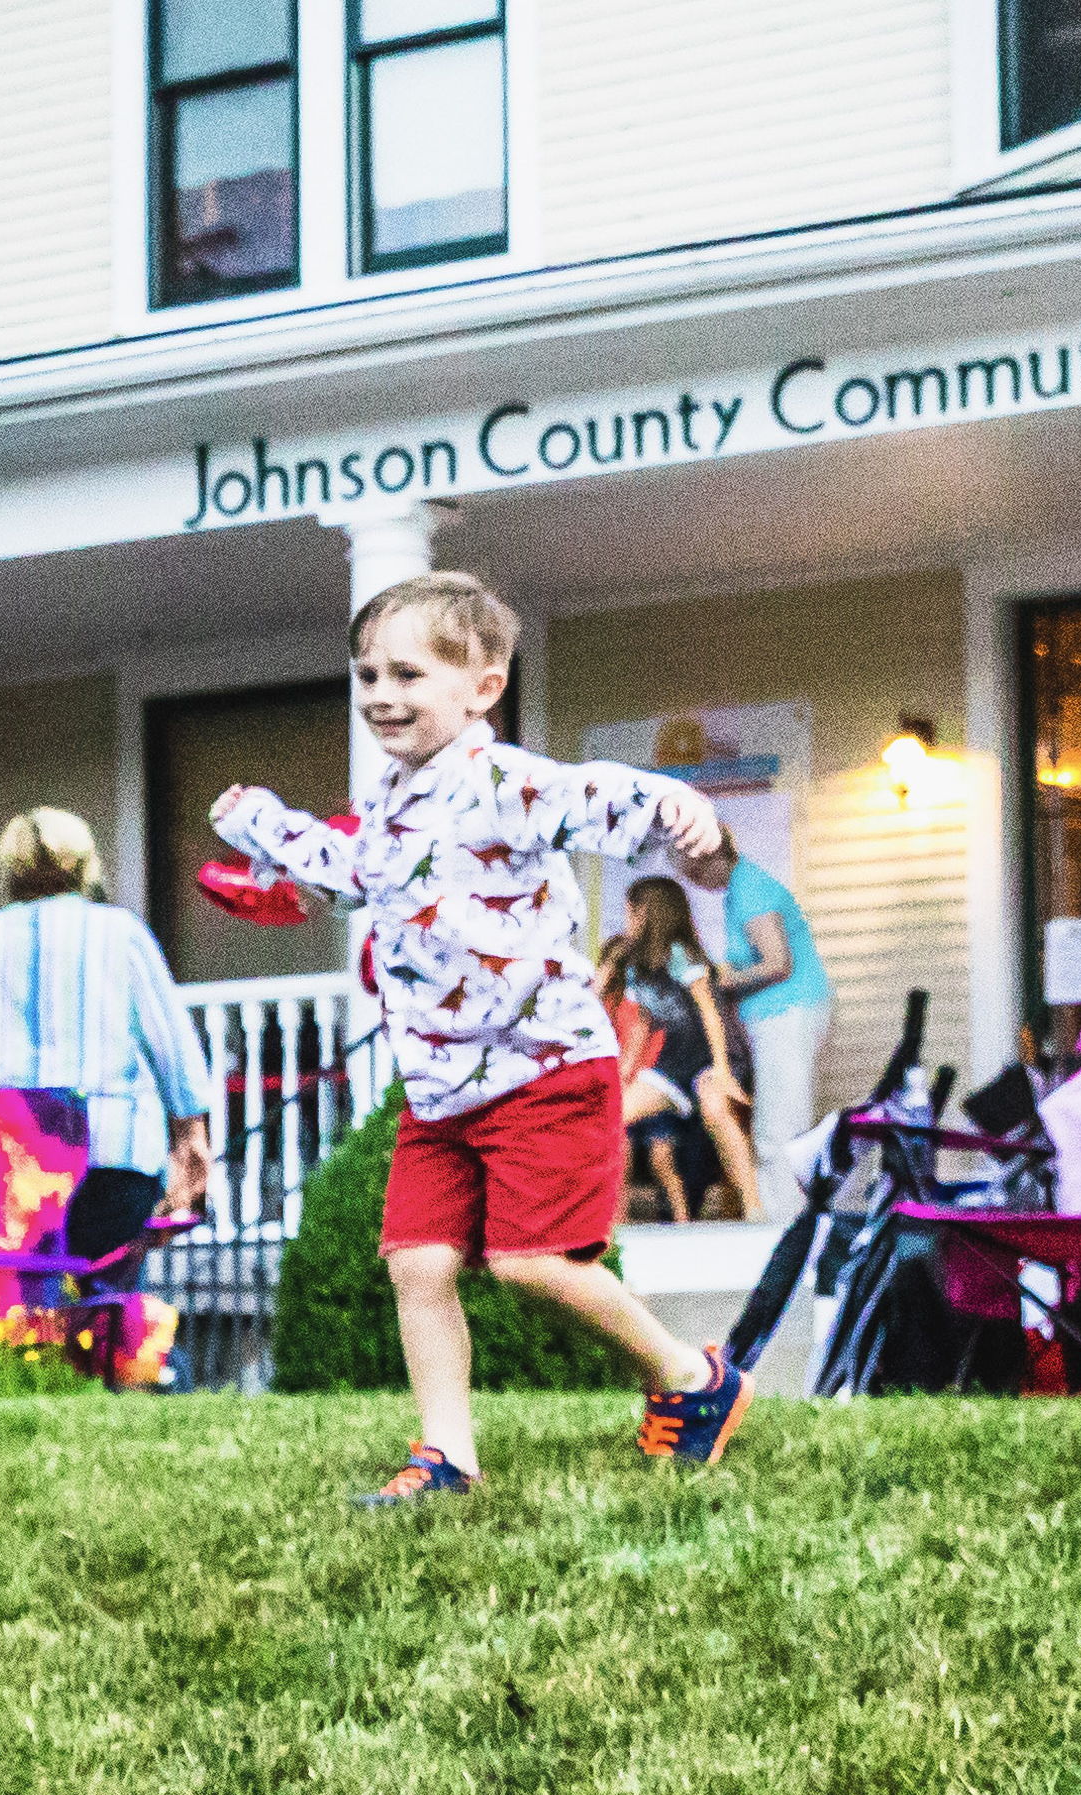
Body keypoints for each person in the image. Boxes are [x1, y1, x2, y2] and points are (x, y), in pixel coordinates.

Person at [209, 570, 744, 1505]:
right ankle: (447, 1458)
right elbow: (348, 875)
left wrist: (675, 805)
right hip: (442, 1086)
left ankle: (693, 1380)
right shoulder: (390, 797)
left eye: (408, 675)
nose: (381, 695)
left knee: (533, 1264)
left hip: (542, 1069)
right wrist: (263, 826)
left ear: (482, 687)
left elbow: (591, 796)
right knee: (417, 1263)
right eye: (367, 675)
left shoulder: (500, 781)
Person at [0, 806, 225, 1255]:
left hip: (4, 1169)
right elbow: (171, 1044)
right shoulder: (120, 934)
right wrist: (192, 1134)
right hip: (112, 1161)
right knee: (105, 1306)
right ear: (86, 863)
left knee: (17, 1309)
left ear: (9, 871)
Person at [600, 873, 750, 1226]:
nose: (626, 921)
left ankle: (755, 1209)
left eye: (630, 912)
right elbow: (644, 1024)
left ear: (647, 914)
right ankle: (610, 1219)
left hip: (708, 1058)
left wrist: (724, 1073)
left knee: (717, 1114)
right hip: (672, 1065)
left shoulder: (680, 955)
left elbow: (710, 1013)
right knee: (612, 1119)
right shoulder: (636, 966)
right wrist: (625, 1070)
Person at [714, 842, 830, 1194]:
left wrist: (726, 979)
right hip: (778, 1017)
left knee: (777, 1133)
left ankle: (780, 1229)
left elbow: (778, 962)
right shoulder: (739, 889)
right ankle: (784, 1219)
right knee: (780, 1128)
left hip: (785, 1014)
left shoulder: (749, 887)